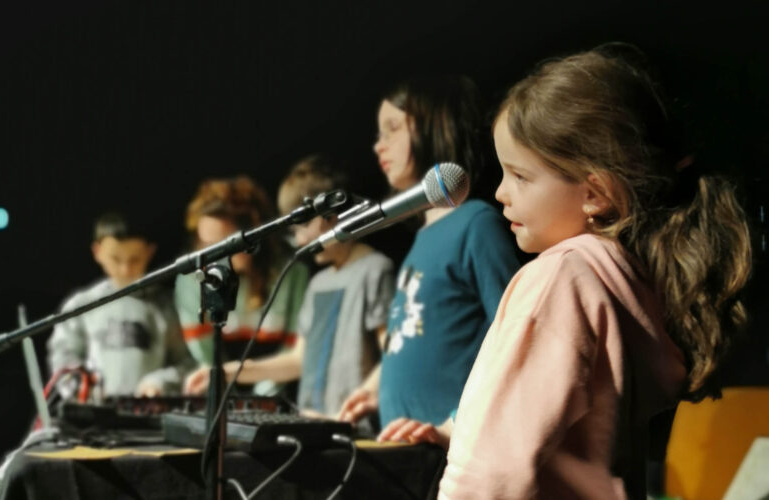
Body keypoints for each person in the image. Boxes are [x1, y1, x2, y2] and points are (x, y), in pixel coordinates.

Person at [378, 44, 752, 499]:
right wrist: (451, 430)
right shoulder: (630, 286)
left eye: (520, 176)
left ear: (594, 192)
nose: (500, 192)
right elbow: (554, 423)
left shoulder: (560, 278)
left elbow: (495, 472)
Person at [338, 76, 521, 429]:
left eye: (392, 129)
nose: (379, 146)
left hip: (448, 446)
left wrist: (454, 426)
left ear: (436, 127)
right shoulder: (422, 237)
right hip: (405, 446)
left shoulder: (476, 223)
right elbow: (412, 331)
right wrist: (374, 387)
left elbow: (513, 336)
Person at [185, 156, 396, 422]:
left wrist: (363, 396)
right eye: (292, 231)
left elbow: (394, 352)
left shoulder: (374, 270)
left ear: (330, 215)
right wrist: (227, 371)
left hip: (353, 426)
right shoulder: (318, 282)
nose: (298, 240)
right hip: (312, 420)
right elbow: (298, 361)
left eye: (302, 227)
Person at [174, 176, 309, 387]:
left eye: (223, 243)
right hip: (220, 390)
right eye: (205, 244)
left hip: (278, 389)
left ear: (251, 238)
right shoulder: (191, 279)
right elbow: (206, 357)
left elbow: (293, 350)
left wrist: (259, 401)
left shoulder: (292, 273)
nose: (212, 256)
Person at [47, 212, 195, 397]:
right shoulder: (82, 304)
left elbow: (190, 362)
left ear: (149, 252)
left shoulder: (168, 306)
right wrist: (78, 386)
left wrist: (161, 382)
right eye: (116, 259)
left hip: (150, 414)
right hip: (92, 414)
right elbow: (63, 356)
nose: (125, 268)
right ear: (97, 252)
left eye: (135, 259)